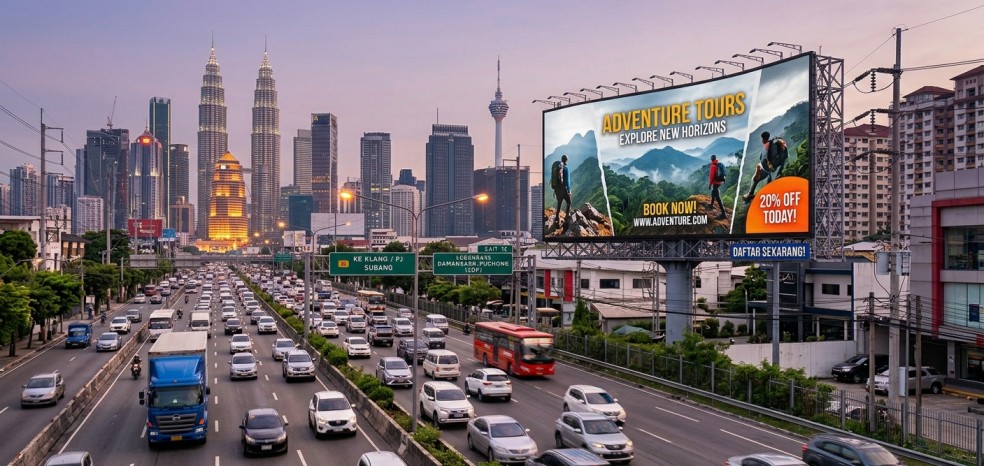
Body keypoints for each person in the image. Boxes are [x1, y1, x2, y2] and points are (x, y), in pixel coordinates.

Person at [742, 131, 784, 202]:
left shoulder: (767, 146)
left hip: (767, 168)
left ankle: (750, 194)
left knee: (755, 179)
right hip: (773, 167)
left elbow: (763, 157)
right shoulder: (773, 144)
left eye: (762, 139)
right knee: (768, 181)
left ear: (764, 139)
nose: (761, 141)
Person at [553, 154, 572, 228]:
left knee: (559, 203)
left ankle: (557, 217)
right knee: (569, 202)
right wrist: (569, 190)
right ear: (566, 160)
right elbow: (567, 181)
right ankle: (567, 217)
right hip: (564, 189)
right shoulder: (566, 168)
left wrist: (555, 189)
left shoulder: (558, 167)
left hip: (557, 189)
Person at [707, 154, 726, 219]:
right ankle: (711, 205)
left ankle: (723, 214)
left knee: (717, 198)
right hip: (718, 182)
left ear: (711, 159)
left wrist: (710, 184)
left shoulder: (713, 166)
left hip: (715, 182)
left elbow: (711, 177)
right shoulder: (718, 164)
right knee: (713, 193)